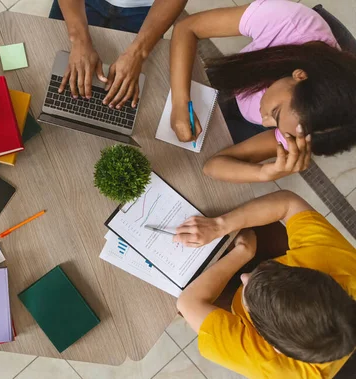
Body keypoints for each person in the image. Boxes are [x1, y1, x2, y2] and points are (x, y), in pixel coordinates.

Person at [174, 190, 356, 378]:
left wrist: (243, 252)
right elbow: (288, 202)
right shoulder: (340, 266)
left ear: (276, 348)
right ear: (314, 272)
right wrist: (220, 225)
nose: (244, 276)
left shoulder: (270, 365)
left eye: (248, 298)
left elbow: (188, 302)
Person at [169, 0, 356, 183]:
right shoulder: (290, 22)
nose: (266, 122)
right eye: (275, 113)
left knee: (188, 160)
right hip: (233, 83)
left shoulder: (306, 127)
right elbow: (187, 28)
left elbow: (212, 166)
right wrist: (180, 101)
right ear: (299, 76)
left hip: (242, 109)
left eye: (278, 127)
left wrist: (264, 173)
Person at [50, 0, 186, 109]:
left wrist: (138, 53)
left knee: (128, 92)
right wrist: (78, 38)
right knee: (53, 73)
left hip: (148, 10)